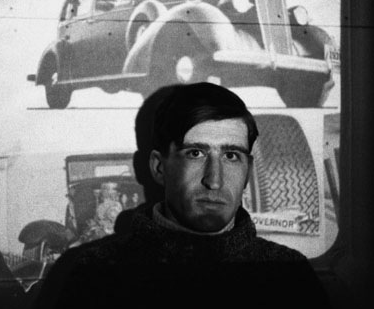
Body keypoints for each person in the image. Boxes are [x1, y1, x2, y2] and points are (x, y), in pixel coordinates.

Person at [33, 83, 331, 309]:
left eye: (231, 155)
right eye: (195, 153)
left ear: (247, 171)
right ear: (159, 168)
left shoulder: (289, 275)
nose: (214, 180)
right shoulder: (94, 275)